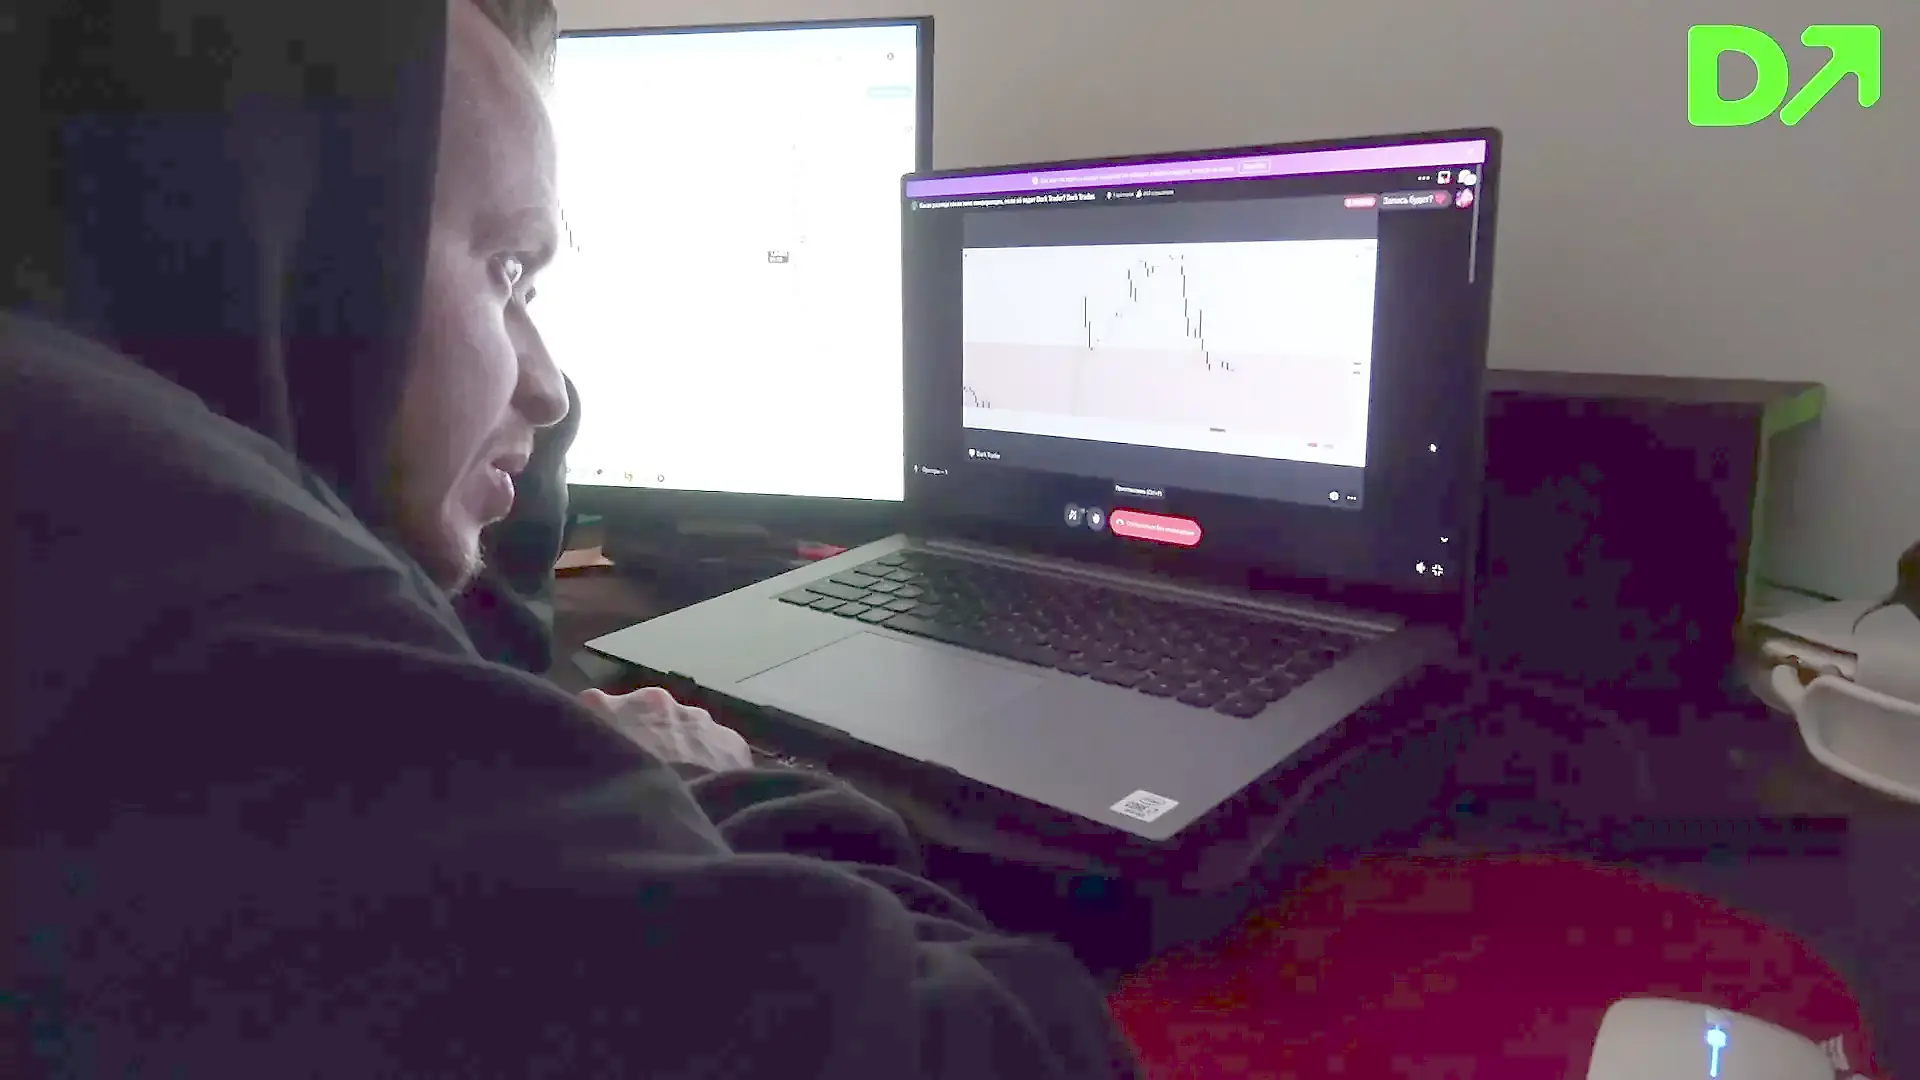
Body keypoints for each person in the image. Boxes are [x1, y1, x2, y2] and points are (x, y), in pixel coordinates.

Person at [0, 1, 1139, 1075]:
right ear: (277, 245)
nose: (547, 389)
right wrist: (717, 788)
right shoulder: (224, 628)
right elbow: (1026, 1044)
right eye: (509, 270)